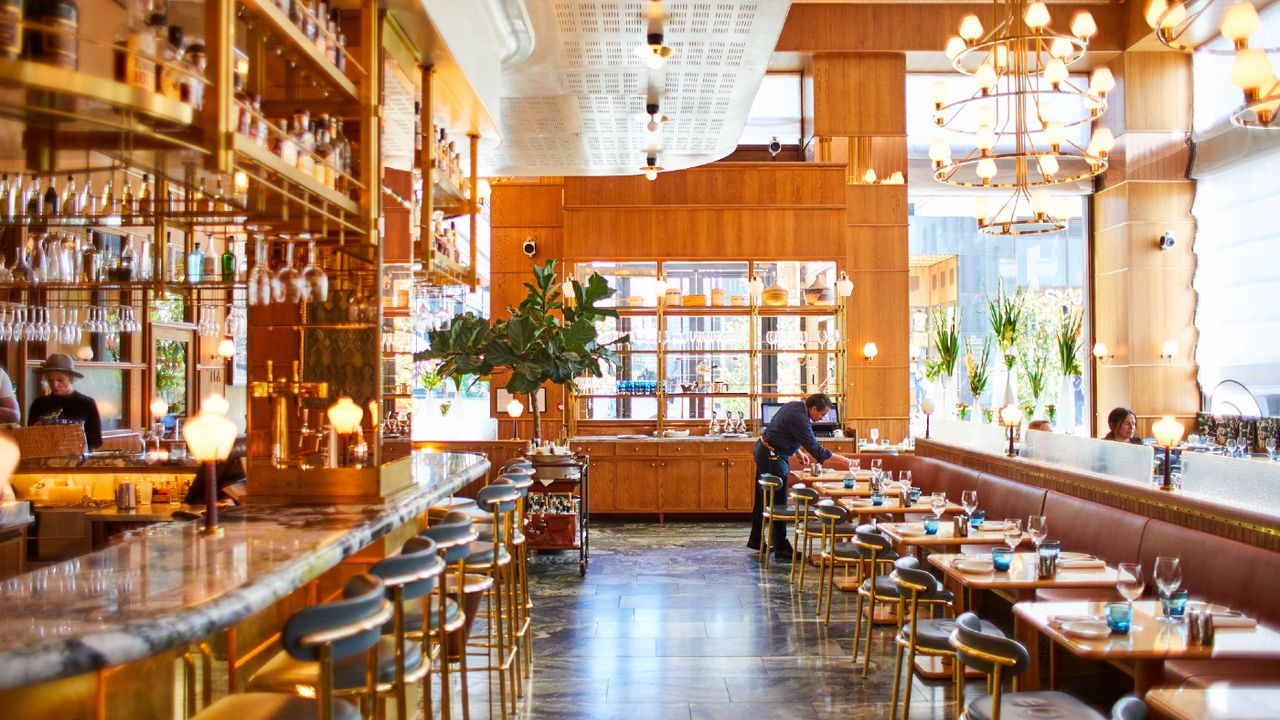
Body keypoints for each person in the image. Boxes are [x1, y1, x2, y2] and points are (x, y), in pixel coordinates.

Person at [749, 393, 856, 560]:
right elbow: (815, 449)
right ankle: (781, 548)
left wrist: (797, 451)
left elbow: (781, 430)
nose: (821, 418)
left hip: (767, 449)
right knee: (778, 501)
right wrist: (842, 459)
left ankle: (756, 540)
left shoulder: (794, 405)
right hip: (771, 455)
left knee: (763, 498)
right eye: (821, 414)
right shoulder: (800, 418)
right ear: (813, 409)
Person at [28, 353, 102, 450]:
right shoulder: (39, 404)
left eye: (60, 380)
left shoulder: (86, 404)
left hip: (77, 460)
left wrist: (71, 439)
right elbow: (29, 437)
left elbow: (96, 441)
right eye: (50, 380)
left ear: (71, 379)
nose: (55, 385)